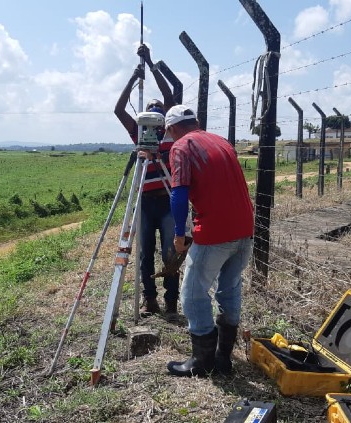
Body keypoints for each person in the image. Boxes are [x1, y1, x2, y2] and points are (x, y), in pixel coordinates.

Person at [164, 104, 254, 377]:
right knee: (229, 289)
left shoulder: (181, 146)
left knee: (192, 294)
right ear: (196, 121)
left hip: (216, 232)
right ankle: (223, 358)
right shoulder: (221, 141)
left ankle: (202, 362)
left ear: (171, 128)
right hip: (245, 228)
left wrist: (179, 233)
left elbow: (178, 194)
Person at [113, 44, 179, 321]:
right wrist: (132, 77)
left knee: (170, 253)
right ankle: (149, 300)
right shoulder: (139, 134)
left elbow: (169, 94)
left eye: (158, 111)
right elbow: (118, 109)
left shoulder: (171, 132)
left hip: (167, 202)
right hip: (144, 202)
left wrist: (150, 63)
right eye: (150, 111)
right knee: (144, 255)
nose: (153, 113)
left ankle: (172, 301)